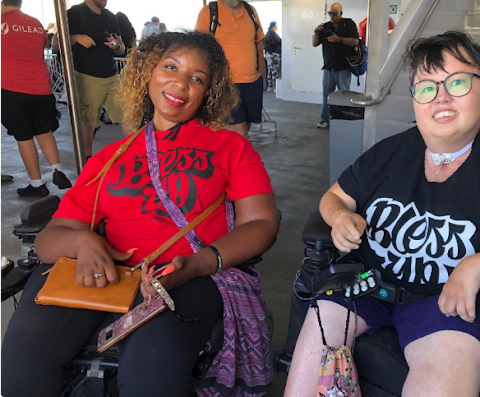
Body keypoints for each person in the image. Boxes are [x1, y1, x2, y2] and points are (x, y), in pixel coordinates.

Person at [284, 30, 480, 397]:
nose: (440, 96)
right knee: (305, 378)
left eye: (457, 82)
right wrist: (339, 217)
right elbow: (335, 197)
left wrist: (478, 263)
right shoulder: (392, 152)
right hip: (368, 286)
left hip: (453, 306)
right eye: (426, 87)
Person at [0, 31, 280, 397]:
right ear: (148, 73)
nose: (180, 82)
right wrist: (83, 240)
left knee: (150, 375)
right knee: (23, 363)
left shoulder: (230, 147)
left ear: (208, 92)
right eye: (171, 67)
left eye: (197, 78)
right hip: (106, 274)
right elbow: (51, 238)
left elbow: (261, 222)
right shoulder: (110, 157)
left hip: (188, 274)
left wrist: (197, 264)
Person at [0, 0, 72, 197]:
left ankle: (37, 183)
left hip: (10, 88)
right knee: (44, 130)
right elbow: (43, 45)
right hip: (41, 88)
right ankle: (58, 170)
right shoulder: (35, 24)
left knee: (23, 136)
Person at [53, 0, 129, 159]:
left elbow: (121, 48)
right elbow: (55, 43)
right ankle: (86, 158)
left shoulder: (109, 16)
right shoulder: (75, 13)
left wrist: (117, 47)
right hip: (87, 74)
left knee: (127, 114)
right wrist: (76, 38)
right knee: (88, 119)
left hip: (111, 74)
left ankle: (137, 152)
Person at [195, 0, 266, 139]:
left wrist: (260, 76)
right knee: (239, 131)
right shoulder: (209, 12)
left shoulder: (251, 11)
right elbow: (199, 49)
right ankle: (240, 159)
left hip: (251, 82)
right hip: (225, 84)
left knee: (245, 127)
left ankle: (231, 157)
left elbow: (258, 44)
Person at [312, 2, 359, 129]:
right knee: (326, 95)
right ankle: (325, 119)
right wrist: (316, 32)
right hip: (328, 67)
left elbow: (355, 41)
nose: (332, 16)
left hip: (343, 67)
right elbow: (315, 44)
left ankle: (344, 121)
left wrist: (339, 39)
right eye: (330, 14)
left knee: (344, 95)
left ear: (341, 13)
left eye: (335, 14)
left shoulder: (348, 24)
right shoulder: (325, 27)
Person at [264, 21, 281, 92]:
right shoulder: (273, 33)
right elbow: (278, 42)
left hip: (268, 53)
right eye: (277, 26)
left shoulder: (267, 33)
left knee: (270, 70)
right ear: (273, 26)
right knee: (275, 71)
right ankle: (276, 87)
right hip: (274, 53)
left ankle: (270, 86)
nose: (277, 27)